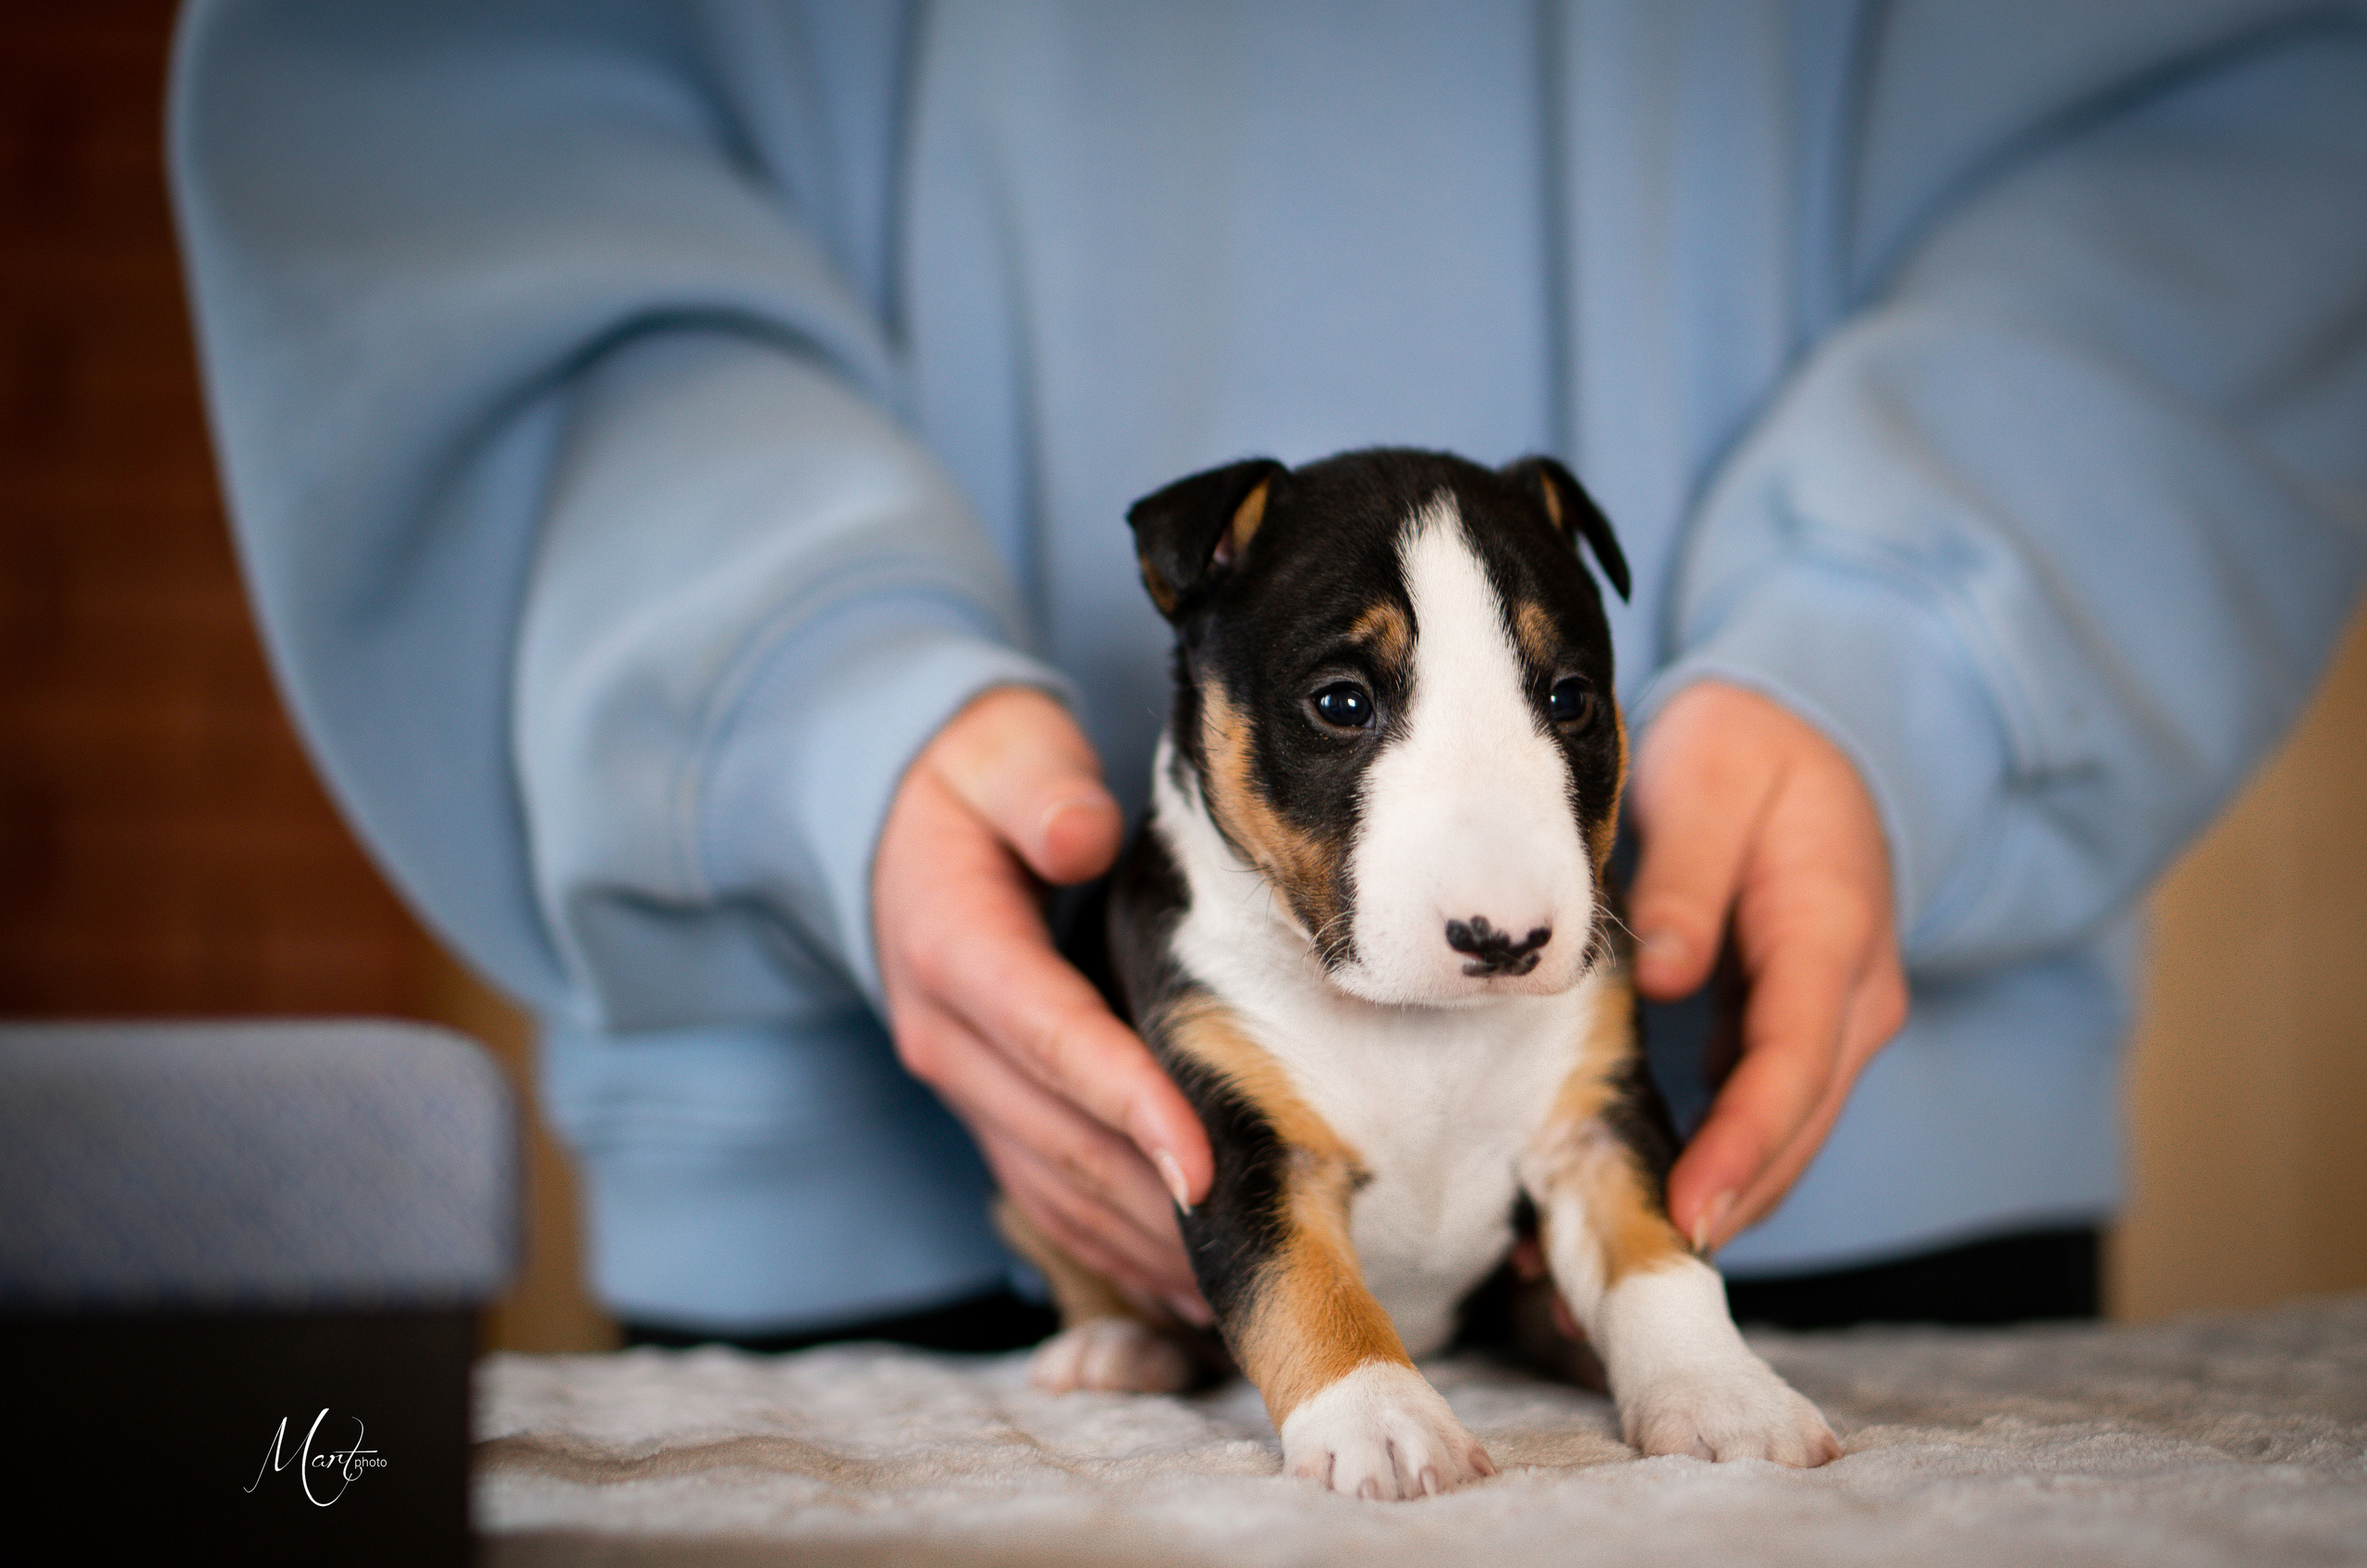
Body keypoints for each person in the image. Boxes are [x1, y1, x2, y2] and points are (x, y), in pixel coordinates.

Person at [170, 1, 2367, 1347]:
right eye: (1344, 697)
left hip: (1816, 1154)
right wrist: (787, 695)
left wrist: (1919, 656)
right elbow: (428, 109)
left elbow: (2231, 119)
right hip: (859, 1170)